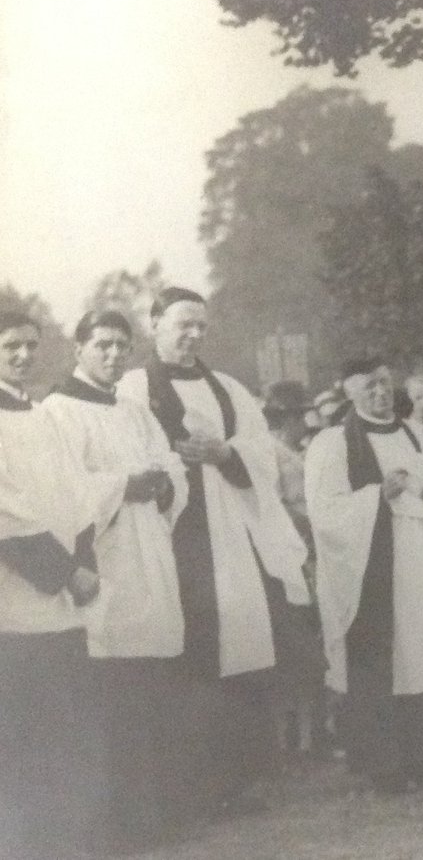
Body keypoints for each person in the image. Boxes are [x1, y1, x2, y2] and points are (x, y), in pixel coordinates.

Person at [117, 287, 311, 819]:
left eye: (201, 326)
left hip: (231, 535)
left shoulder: (226, 387)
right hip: (173, 534)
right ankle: (189, 788)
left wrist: (228, 453)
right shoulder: (132, 387)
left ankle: (240, 780)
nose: (194, 335)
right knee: (189, 656)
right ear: (154, 322)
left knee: (242, 648)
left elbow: (263, 457)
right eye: (183, 324)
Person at [38, 310, 189, 852]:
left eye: (122, 347)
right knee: (108, 697)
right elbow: (60, 489)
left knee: (149, 689)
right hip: (103, 560)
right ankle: (111, 822)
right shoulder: (55, 412)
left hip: (149, 555)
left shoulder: (135, 409)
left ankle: (151, 812)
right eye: (102, 345)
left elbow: (172, 467)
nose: (113, 356)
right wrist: (127, 485)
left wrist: (166, 485)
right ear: (78, 347)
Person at [306, 356, 423, 791]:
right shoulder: (332, 443)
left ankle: (421, 756)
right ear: (349, 391)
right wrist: (375, 496)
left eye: (386, 383)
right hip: (372, 566)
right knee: (382, 659)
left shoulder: (410, 433)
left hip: (420, 558)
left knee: (422, 656)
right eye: (369, 386)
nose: (381, 393)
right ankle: (383, 766)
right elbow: (324, 512)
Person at [0, 311, 104, 859]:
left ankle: (65, 841)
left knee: (63, 730)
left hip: (62, 599)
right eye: (10, 346)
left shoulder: (41, 417)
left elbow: (76, 495)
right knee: (21, 736)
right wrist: (64, 572)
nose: (22, 356)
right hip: (15, 602)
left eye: (30, 346)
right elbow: (6, 519)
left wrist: (82, 562)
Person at [261, 380, 327, 758]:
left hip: (305, 552)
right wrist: (305, 536)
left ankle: (307, 734)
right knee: (296, 647)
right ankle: (294, 738)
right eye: (302, 415)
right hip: (291, 557)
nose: (306, 423)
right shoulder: (272, 453)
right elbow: (276, 507)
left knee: (307, 643)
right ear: (287, 418)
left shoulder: (288, 451)